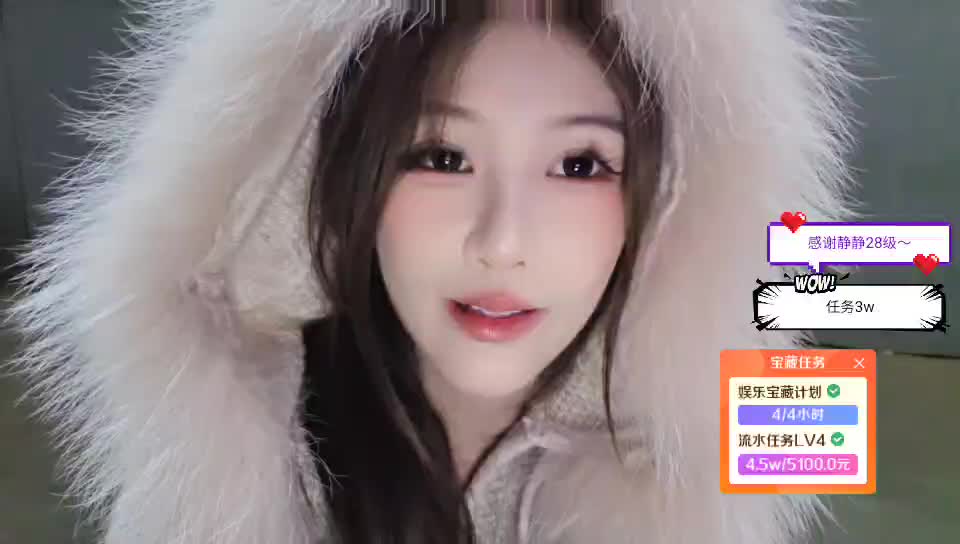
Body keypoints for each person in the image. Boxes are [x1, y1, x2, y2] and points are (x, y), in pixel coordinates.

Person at [7, 0, 858, 542]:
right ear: (319, 177)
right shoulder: (224, 466)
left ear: (669, 202)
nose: (501, 242)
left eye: (580, 165)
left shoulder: (745, 446)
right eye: (441, 156)